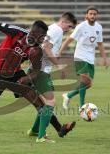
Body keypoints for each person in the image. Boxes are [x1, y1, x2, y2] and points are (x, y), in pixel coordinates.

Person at [0, 12, 74, 142]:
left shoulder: (36, 49)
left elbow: (35, 70)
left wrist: (27, 79)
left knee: (38, 102)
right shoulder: (17, 32)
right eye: (43, 37)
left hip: (16, 74)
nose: (43, 39)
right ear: (35, 33)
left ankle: (59, 129)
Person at [27, 12, 77, 143]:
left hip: (40, 70)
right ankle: (41, 136)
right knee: (50, 102)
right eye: (70, 26)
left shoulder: (52, 28)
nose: (69, 29)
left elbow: (44, 46)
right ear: (64, 22)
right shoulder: (58, 31)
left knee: (44, 103)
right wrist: (59, 66)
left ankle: (34, 130)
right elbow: (47, 49)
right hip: (40, 71)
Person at [58, 6, 108, 110]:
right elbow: (69, 39)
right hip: (80, 56)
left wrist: (105, 58)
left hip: (90, 58)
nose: (92, 16)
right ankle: (82, 106)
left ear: (97, 15)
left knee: (88, 84)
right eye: (90, 14)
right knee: (85, 80)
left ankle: (68, 95)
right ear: (86, 15)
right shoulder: (81, 26)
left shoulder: (99, 27)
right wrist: (60, 51)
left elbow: (100, 44)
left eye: (94, 14)